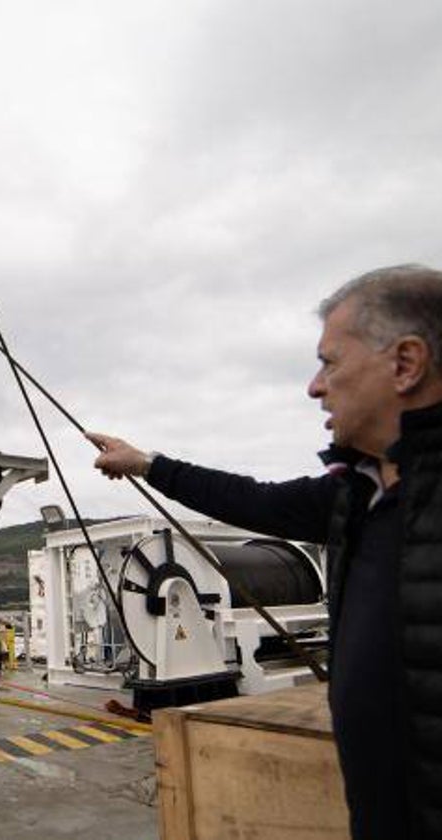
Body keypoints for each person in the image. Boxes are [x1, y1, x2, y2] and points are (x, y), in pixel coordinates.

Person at [88, 264, 442, 840]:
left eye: (330, 362)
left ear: (405, 363)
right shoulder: (357, 497)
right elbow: (252, 500)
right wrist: (146, 464)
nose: (314, 385)